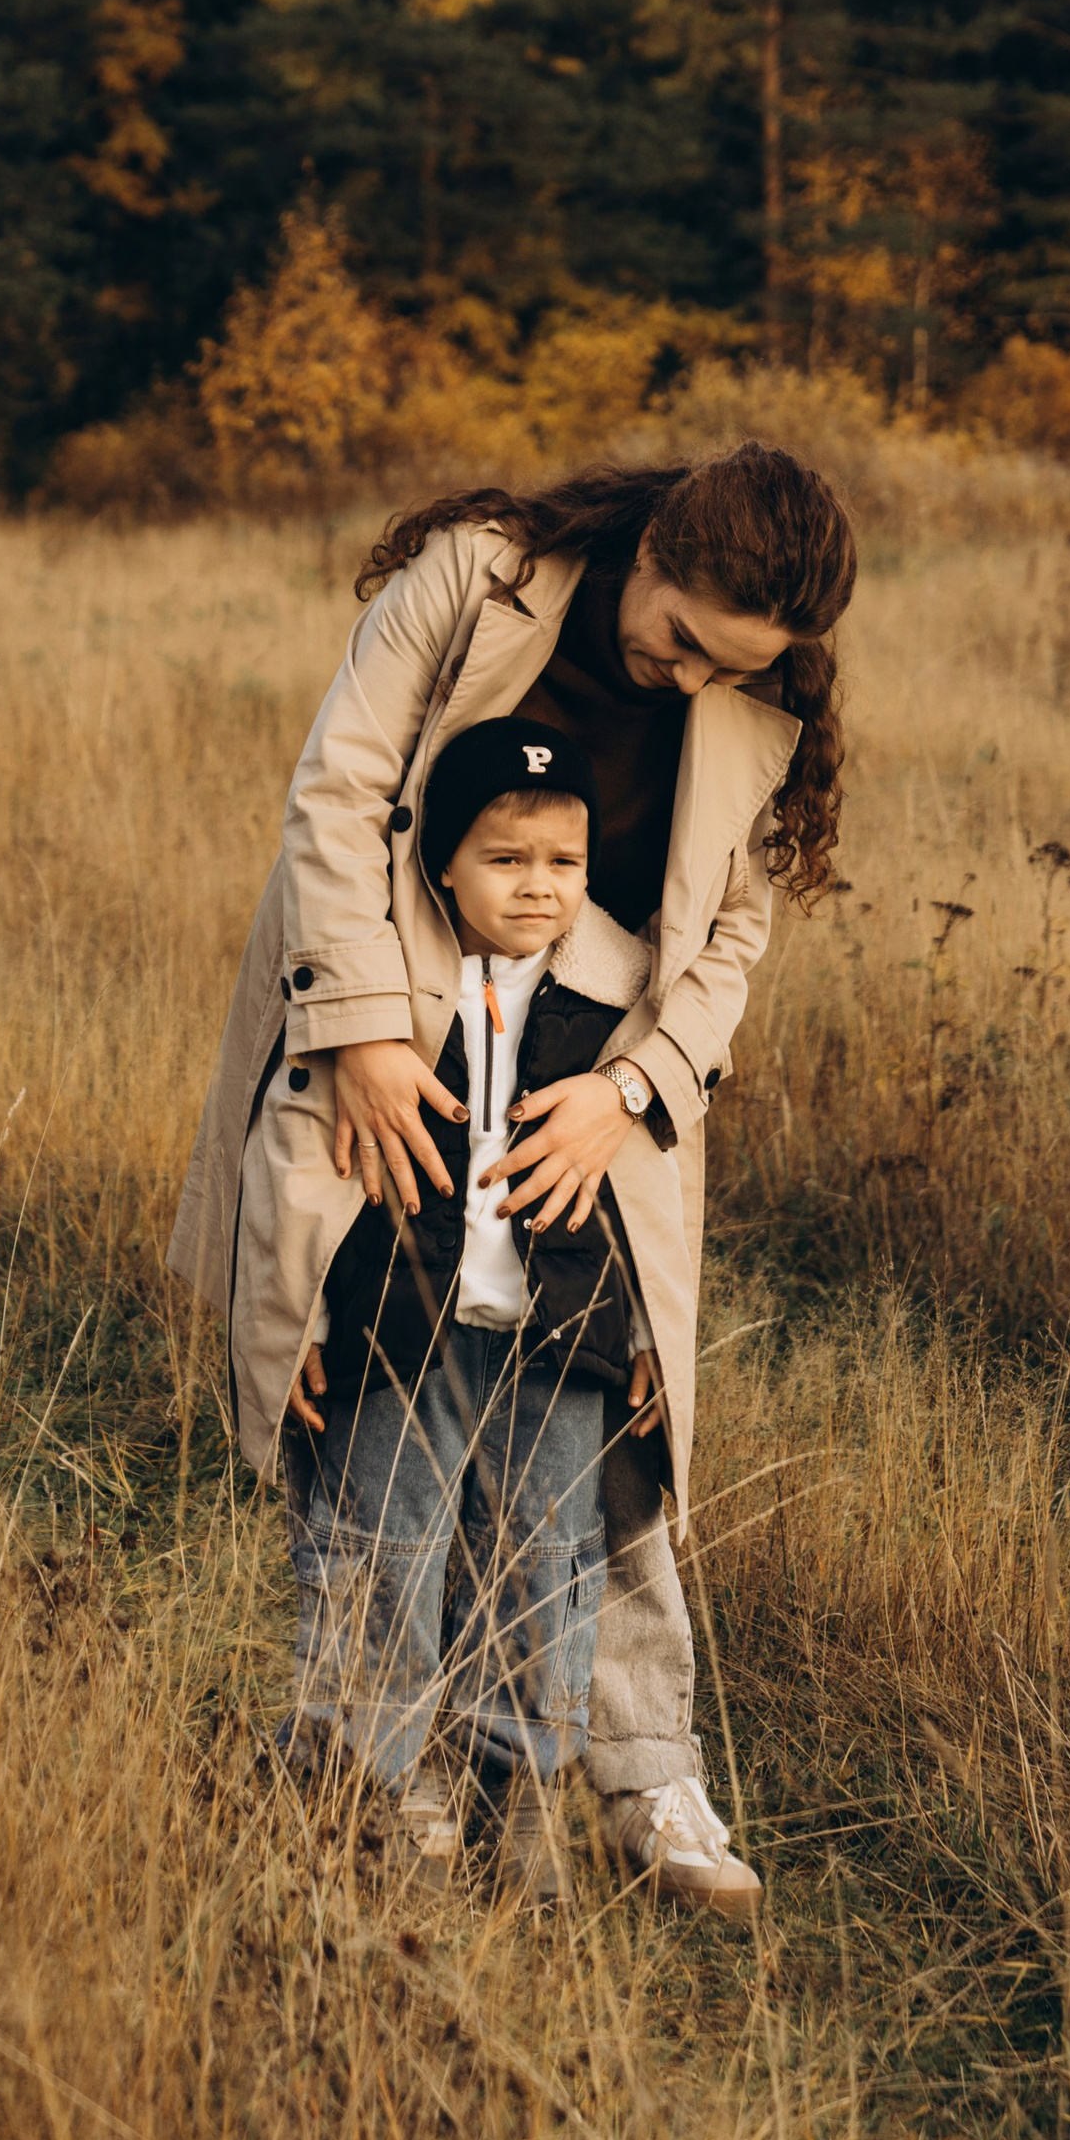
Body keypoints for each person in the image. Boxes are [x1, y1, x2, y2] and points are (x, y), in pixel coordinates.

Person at [169, 439, 857, 1918]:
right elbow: (338, 794)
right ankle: (375, 1762)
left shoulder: (751, 694)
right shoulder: (477, 580)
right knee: (381, 1387)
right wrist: (353, 1030)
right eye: (677, 637)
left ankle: (638, 1765)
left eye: (727, 667)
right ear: (653, 548)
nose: (683, 680)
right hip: (400, 1025)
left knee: (600, 1415)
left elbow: (731, 933)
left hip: (593, 1077)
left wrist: (631, 1094)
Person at [279, 719, 645, 1901]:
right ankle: (359, 1801)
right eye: (505, 860)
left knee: (551, 1565)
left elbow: (652, 1199)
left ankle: (525, 1797)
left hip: (562, 1332)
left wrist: (644, 1338)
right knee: (384, 1551)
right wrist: (286, 1325)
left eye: (563, 863)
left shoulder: (615, 994)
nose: (538, 889)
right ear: (442, 863)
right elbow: (293, 1170)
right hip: (400, 1318)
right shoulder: (383, 991)